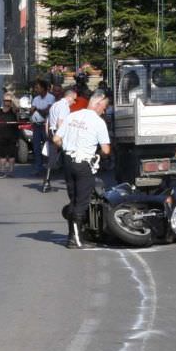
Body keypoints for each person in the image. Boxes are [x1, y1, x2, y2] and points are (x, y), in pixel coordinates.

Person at [55, 90, 112, 249]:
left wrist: (68, 149)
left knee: (73, 199)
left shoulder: (72, 116)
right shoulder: (98, 122)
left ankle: (72, 236)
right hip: (84, 163)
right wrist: (96, 154)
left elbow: (56, 139)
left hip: (68, 160)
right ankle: (76, 240)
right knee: (81, 202)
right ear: (98, 103)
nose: (104, 110)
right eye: (104, 106)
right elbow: (106, 150)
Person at [43, 80, 75, 193]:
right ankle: (71, 182)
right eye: (74, 99)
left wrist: (48, 134)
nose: (74, 102)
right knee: (68, 156)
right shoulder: (64, 106)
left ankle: (46, 182)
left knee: (52, 158)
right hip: (59, 132)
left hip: (52, 132)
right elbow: (60, 122)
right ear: (70, 97)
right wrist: (63, 136)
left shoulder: (54, 105)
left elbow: (47, 121)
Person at [0, 94, 25, 177]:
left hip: (12, 135)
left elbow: (17, 107)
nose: (6, 102)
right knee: (2, 154)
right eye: (5, 100)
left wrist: (13, 99)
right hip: (1, 135)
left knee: (11, 154)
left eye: (8, 101)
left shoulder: (14, 110)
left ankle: (11, 171)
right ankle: (2, 170)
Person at [29, 79, 55, 180]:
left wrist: (37, 110)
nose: (36, 89)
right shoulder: (36, 98)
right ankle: (38, 168)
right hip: (37, 125)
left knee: (48, 146)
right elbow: (31, 111)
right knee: (36, 147)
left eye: (38, 88)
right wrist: (37, 110)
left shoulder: (51, 97)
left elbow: (47, 111)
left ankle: (50, 168)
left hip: (46, 125)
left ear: (43, 88)